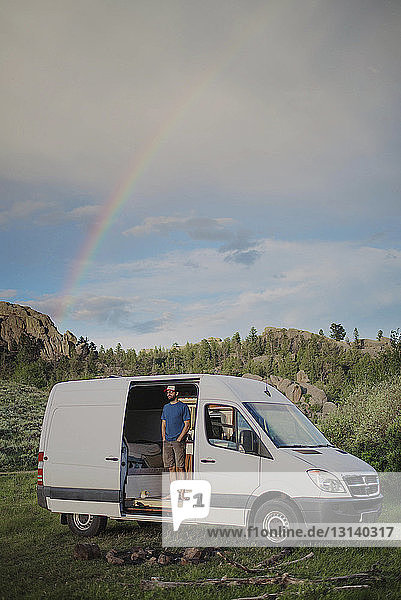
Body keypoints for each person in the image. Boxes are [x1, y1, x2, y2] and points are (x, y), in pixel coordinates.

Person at [161, 385, 190, 481]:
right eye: (167, 392)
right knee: (170, 468)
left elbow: (187, 425)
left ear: (176, 393)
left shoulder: (183, 407)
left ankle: (182, 493)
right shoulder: (166, 407)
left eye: (171, 392)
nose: (168, 394)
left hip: (178, 442)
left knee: (180, 467)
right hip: (167, 442)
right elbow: (163, 423)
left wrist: (179, 439)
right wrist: (164, 438)